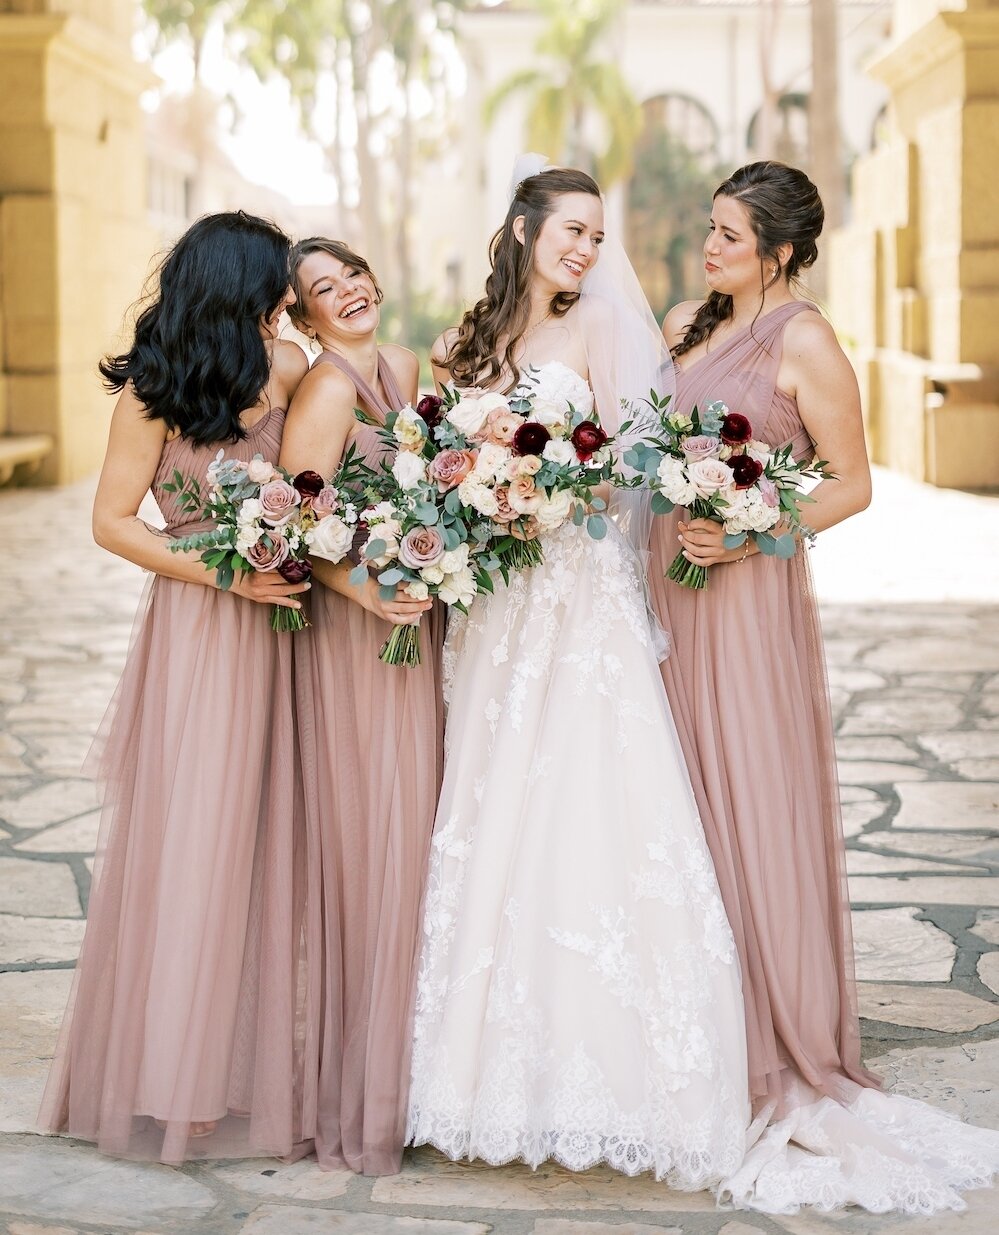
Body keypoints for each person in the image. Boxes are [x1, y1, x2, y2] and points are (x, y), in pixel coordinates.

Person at [647, 160, 999, 1212]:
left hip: (746, 600)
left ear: (784, 251)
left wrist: (758, 528)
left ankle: (776, 1024)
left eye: (731, 236)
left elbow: (853, 482)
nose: (710, 248)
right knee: (676, 795)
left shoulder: (804, 339)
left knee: (750, 795)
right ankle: (693, 1013)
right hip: (662, 589)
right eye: (710, 228)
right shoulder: (680, 322)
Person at [405, 165, 750, 1189]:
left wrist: (547, 489)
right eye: (572, 230)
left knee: (588, 802)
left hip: (576, 598)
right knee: (493, 802)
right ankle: (475, 1075)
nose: (589, 251)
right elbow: (439, 460)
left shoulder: (599, 328)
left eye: (599, 236)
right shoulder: (465, 345)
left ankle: (623, 1080)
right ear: (521, 229)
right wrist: (476, 493)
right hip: (496, 606)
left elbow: (634, 464)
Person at [39, 211, 312, 1164]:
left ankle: (263, 1060)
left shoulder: (289, 371)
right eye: (275, 282)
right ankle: (178, 1078)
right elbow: (114, 522)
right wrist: (223, 572)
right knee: (196, 836)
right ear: (236, 287)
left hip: (289, 628)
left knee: (275, 837)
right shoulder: (152, 392)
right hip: (203, 630)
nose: (288, 298)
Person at [279, 238, 444, 1175]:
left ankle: (417, 1074)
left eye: (353, 277)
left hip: (418, 620)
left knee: (418, 838)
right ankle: (364, 1094)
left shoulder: (403, 364)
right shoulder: (329, 388)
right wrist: (368, 592)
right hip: (359, 634)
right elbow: (292, 519)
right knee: (376, 846)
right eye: (322, 291)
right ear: (302, 318)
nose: (348, 295)